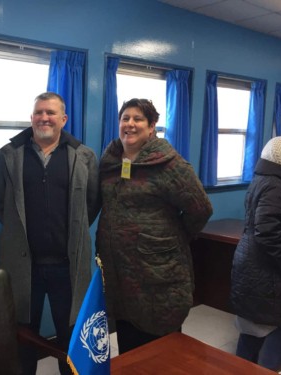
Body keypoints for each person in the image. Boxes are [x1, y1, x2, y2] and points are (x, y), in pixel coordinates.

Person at [0, 92, 100, 374]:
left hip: (67, 266)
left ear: (63, 119)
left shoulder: (84, 157)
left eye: (51, 113)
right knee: (23, 334)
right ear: (31, 118)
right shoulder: (8, 155)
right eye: (39, 112)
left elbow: (92, 203)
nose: (44, 118)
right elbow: (2, 204)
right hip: (25, 266)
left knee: (71, 334)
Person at [96, 98, 213, 354]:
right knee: (129, 343)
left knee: (161, 347)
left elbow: (201, 208)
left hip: (157, 271)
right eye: (125, 118)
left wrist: (174, 236)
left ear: (152, 126)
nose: (130, 124)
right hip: (120, 273)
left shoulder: (169, 165)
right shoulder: (111, 161)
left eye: (138, 119)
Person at [230, 136, 281, 371]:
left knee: (251, 332)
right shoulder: (277, 185)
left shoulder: (262, 179)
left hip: (252, 266)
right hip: (267, 272)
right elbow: (268, 231)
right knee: (279, 331)